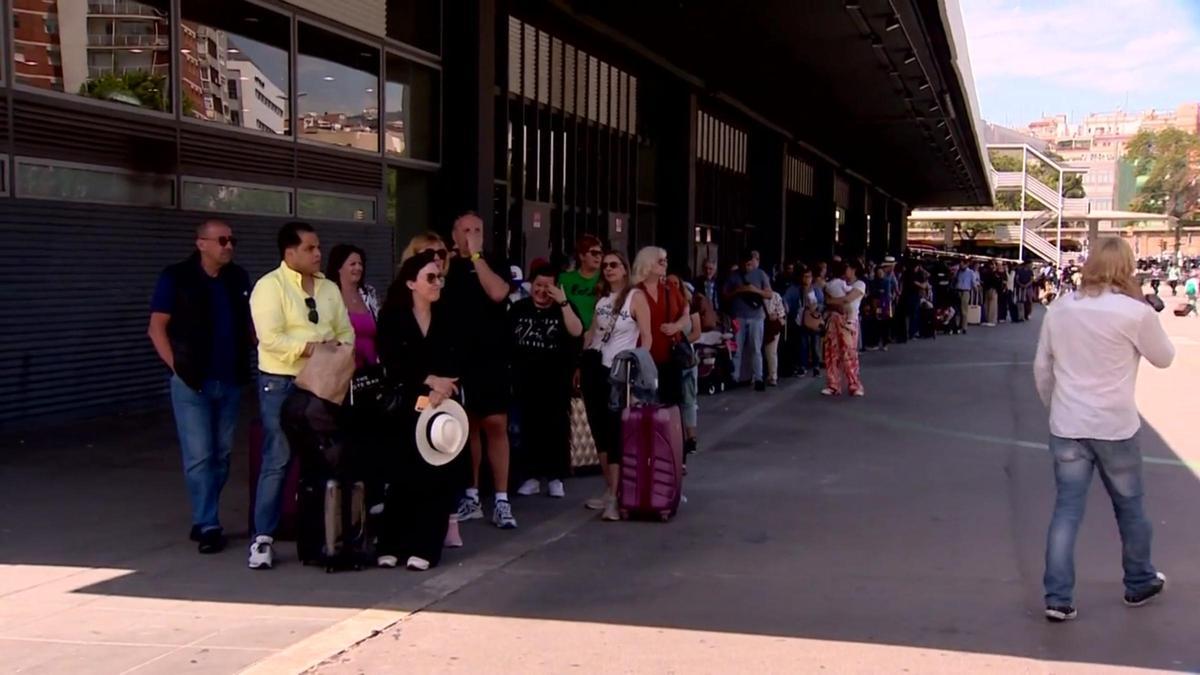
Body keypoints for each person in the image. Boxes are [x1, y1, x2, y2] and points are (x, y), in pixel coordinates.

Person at [1034, 237, 1174, 623]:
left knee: (1067, 510)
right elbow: (1164, 358)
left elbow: (1043, 369)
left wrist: (1056, 409)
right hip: (1115, 423)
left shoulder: (1060, 308)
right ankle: (1139, 579)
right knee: (1130, 507)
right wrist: (1145, 306)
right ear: (1128, 266)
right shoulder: (1134, 312)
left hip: (1068, 423)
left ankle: (1058, 596)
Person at [248, 221, 354, 569]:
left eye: (318, 246)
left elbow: (345, 330)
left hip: (323, 382)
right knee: (278, 457)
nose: (318, 253)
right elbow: (271, 338)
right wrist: (314, 348)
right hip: (281, 382)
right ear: (289, 252)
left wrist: (336, 353)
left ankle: (319, 535)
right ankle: (262, 538)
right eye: (310, 248)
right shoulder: (269, 286)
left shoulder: (328, 289)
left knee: (320, 458)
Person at [148, 220, 253, 555]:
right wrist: (176, 368)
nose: (228, 246)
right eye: (221, 240)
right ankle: (208, 522)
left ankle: (204, 513)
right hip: (192, 382)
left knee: (221, 455)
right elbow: (156, 328)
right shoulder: (176, 277)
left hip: (230, 379)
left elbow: (250, 326)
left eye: (232, 240)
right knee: (199, 456)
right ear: (201, 244)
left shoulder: (238, 278)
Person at [374, 250, 464, 571]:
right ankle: (391, 543)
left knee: (436, 475)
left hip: (441, 406)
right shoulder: (393, 316)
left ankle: (426, 546)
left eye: (440, 277)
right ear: (411, 282)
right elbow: (392, 360)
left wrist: (443, 385)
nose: (437, 282)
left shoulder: (448, 315)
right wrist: (428, 380)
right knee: (401, 474)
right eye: (430, 277)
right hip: (405, 403)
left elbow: (458, 357)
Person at [444, 213, 519, 530]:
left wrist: (476, 256)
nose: (472, 234)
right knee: (468, 425)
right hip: (459, 358)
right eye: (466, 230)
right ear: (454, 234)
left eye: (478, 230)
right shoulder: (446, 266)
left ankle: (501, 500)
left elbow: (499, 293)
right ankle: (471, 495)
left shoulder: (494, 263)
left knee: (496, 423)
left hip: (492, 357)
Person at [579, 252, 653, 521]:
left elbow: (646, 337)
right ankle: (610, 487)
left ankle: (616, 494)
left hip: (618, 370)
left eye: (614, 265)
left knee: (614, 430)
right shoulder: (602, 298)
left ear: (625, 270)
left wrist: (638, 369)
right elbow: (591, 333)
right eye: (606, 265)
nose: (608, 269)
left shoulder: (636, 297)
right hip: (595, 365)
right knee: (598, 428)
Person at [512, 266, 584, 499]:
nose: (542, 291)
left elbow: (576, 331)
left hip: (556, 378)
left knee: (556, 426)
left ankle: (556, 477)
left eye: (548, 286)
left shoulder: (565, 307)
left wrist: (563, 303)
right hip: (525, 377)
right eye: (538, 285)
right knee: (529, 426)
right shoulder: (519, 308)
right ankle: (531, 477)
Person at [632, 247, 691, 406]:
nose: (665, 263)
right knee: (645, 406)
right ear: (648, 263)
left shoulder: (669, 289)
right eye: (660, 260)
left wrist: (677, 326)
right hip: (643, 357)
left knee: (672, 405)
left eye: (666, 260)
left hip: (669, 356)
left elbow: (686, 312)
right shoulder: (634, 292)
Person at [723, 250, 772, 391]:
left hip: (756, 316)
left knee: (756, 348)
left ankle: (758, 378)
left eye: (749, 264)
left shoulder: (760, 274)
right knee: (737, 348)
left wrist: (755, 290)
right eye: (744, 264)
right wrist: (738, 291)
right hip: (739, 316)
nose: (747, 267)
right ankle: (735, 377)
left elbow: (769, 294)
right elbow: (725, 295)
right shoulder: (734, 276)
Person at [326, 244, 380, 369]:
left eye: (360, 264)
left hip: (371, 367)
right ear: (339, 268)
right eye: (353, 264)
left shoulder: (369, 293)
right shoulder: (329, 294)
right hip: (341, 367)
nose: (358, 268)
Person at [821, 261, 866, 397]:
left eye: (847, 268)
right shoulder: (838, 283)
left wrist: (831, 301)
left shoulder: (860, 284)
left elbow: (847, 299)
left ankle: (854, 384)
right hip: (834, 319)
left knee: (849, 353)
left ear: (853, 270)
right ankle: (833, 385)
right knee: (831, 352)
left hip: (849, 321)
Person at [559, 234, 604, 330]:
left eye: (600, 253)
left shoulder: (605, 279)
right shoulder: (564, 279)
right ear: (582, 256)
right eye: (594, 253)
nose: (598, 257)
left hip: (599, 335)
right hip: (569, 333)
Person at [763, 285, 788, 385]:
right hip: (761, 323)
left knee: (771, 352)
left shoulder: (775, 295)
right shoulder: (756, 295)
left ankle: (773, 376)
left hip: (772, 326)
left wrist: (776, 315)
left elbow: (781, 312)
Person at [954, 259, 980, 334]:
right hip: (958, 291)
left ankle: (964, 327)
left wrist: (975, 290)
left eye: (962, 264)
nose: (961, 266)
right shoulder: (958, 271)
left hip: (965, 291)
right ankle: (957, 325)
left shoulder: (970, 272)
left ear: (966, 264)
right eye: (960, 264)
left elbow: (974, 282)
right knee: (957, 309)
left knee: (964, 310)